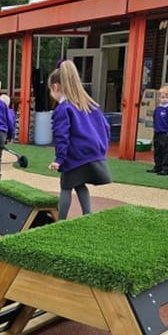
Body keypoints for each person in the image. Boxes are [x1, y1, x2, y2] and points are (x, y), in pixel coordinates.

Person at [47, 60, 112, 220]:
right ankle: (87, 216)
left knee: (66, 187)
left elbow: (61, 136)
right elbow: (106, 127)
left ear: (56, 87)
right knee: (79, 184)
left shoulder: (63, 109)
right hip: (90, 153)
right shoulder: (90, 104)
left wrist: (59, 159)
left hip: (74, 155)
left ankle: (60, 221)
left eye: (50, 90)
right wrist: (101, 148)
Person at [147, 85, 168, 176]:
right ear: (159, 98)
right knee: (157, 150)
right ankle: (158, 166)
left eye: (167, 97)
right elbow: (155, 119)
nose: (164, 99)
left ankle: (165, 168)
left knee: (166, 151)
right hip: (157, 132)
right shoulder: (158, 108)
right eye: (162, 97)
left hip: (166, 133)